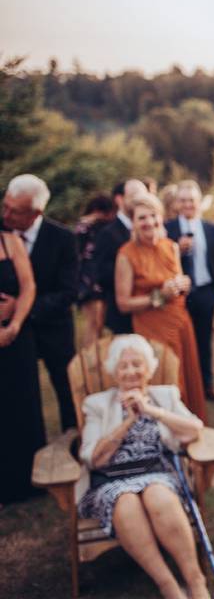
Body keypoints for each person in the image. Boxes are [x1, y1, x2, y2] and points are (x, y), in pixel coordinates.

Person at [77, 335, 208, 599]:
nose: (131, 371)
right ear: (114, 372)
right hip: (110, 479)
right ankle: (168, 585)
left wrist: (152, 410)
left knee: (159, 495)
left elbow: (194, 429)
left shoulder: (165, 396)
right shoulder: (98, 404)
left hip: (157, 473)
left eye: (137, 364)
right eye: (123, 366)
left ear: (149, 368)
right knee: (124, 502)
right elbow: (93, 457)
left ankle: (196, 581)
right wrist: (128, 421)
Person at [115, 193, 207, 423]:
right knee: (165, 381)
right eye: (141, 218)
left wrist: (183, 284)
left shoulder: (171, 247)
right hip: (151, 328)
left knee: (187, 378)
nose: (149, 222)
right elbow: (123, 304)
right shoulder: (127, 254)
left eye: (153, 215)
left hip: (180, 323)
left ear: (161, 217)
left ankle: (189, 433)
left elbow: (176, 282)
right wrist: (158, 296)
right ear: (133, 223)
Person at [3, 174, 80, 431]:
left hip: (53, 329)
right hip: (14, 336)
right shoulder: (3, 234)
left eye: (15, 211)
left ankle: (73, 443)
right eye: (5, 206)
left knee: (66, 389)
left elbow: (68, 292)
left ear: (35, 213)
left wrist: (22, 308)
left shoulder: (63, 239)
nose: (6, 215)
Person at [164, 181, 214, 403]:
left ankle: (207, 386)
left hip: (206, 291)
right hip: (178, 296)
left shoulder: (211, 228)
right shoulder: (167, 229)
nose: (188, 204)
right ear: (176, 203)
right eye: (183, 200)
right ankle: (180, 388)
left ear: (199, 202)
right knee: (179, 342)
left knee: (204, 341)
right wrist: (177, 250)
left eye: (191, 200)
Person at [0, 227, 46, 505]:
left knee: (25, 403)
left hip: (18, 336)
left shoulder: (10, 241)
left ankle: (33, 478)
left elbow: (28, 286)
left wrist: (15, 323)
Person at [95, 178, 149, 334]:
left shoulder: (152, 228)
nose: (139, 200)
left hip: (151, 314)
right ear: (119, 199)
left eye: (143, 195)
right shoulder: (107, 233)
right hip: (123, 316)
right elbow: (101, 275)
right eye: (134, 195)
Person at [75, 194, 115, 348]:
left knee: (99, 324)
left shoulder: (106, 227)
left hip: (100, 279)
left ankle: (97, 358)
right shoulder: (84, 227)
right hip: (88, 281)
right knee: (94, 323)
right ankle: (89, 362)